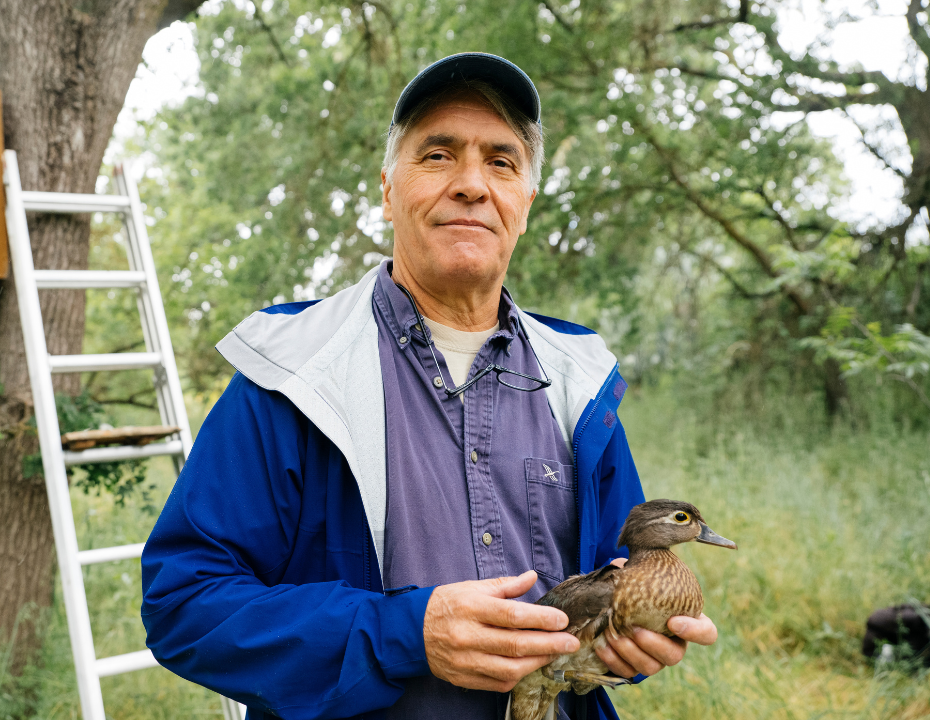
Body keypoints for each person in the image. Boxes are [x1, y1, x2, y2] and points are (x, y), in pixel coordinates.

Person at [141, 52, 717, 720]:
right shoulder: (293, 375)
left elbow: (619, 579)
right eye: (438, 155)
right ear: (389, 190)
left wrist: (640, 640)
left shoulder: (579, 383)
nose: (472, 184)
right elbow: (184, 604)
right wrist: (404, 633)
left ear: (523, 204)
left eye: (501, 162)